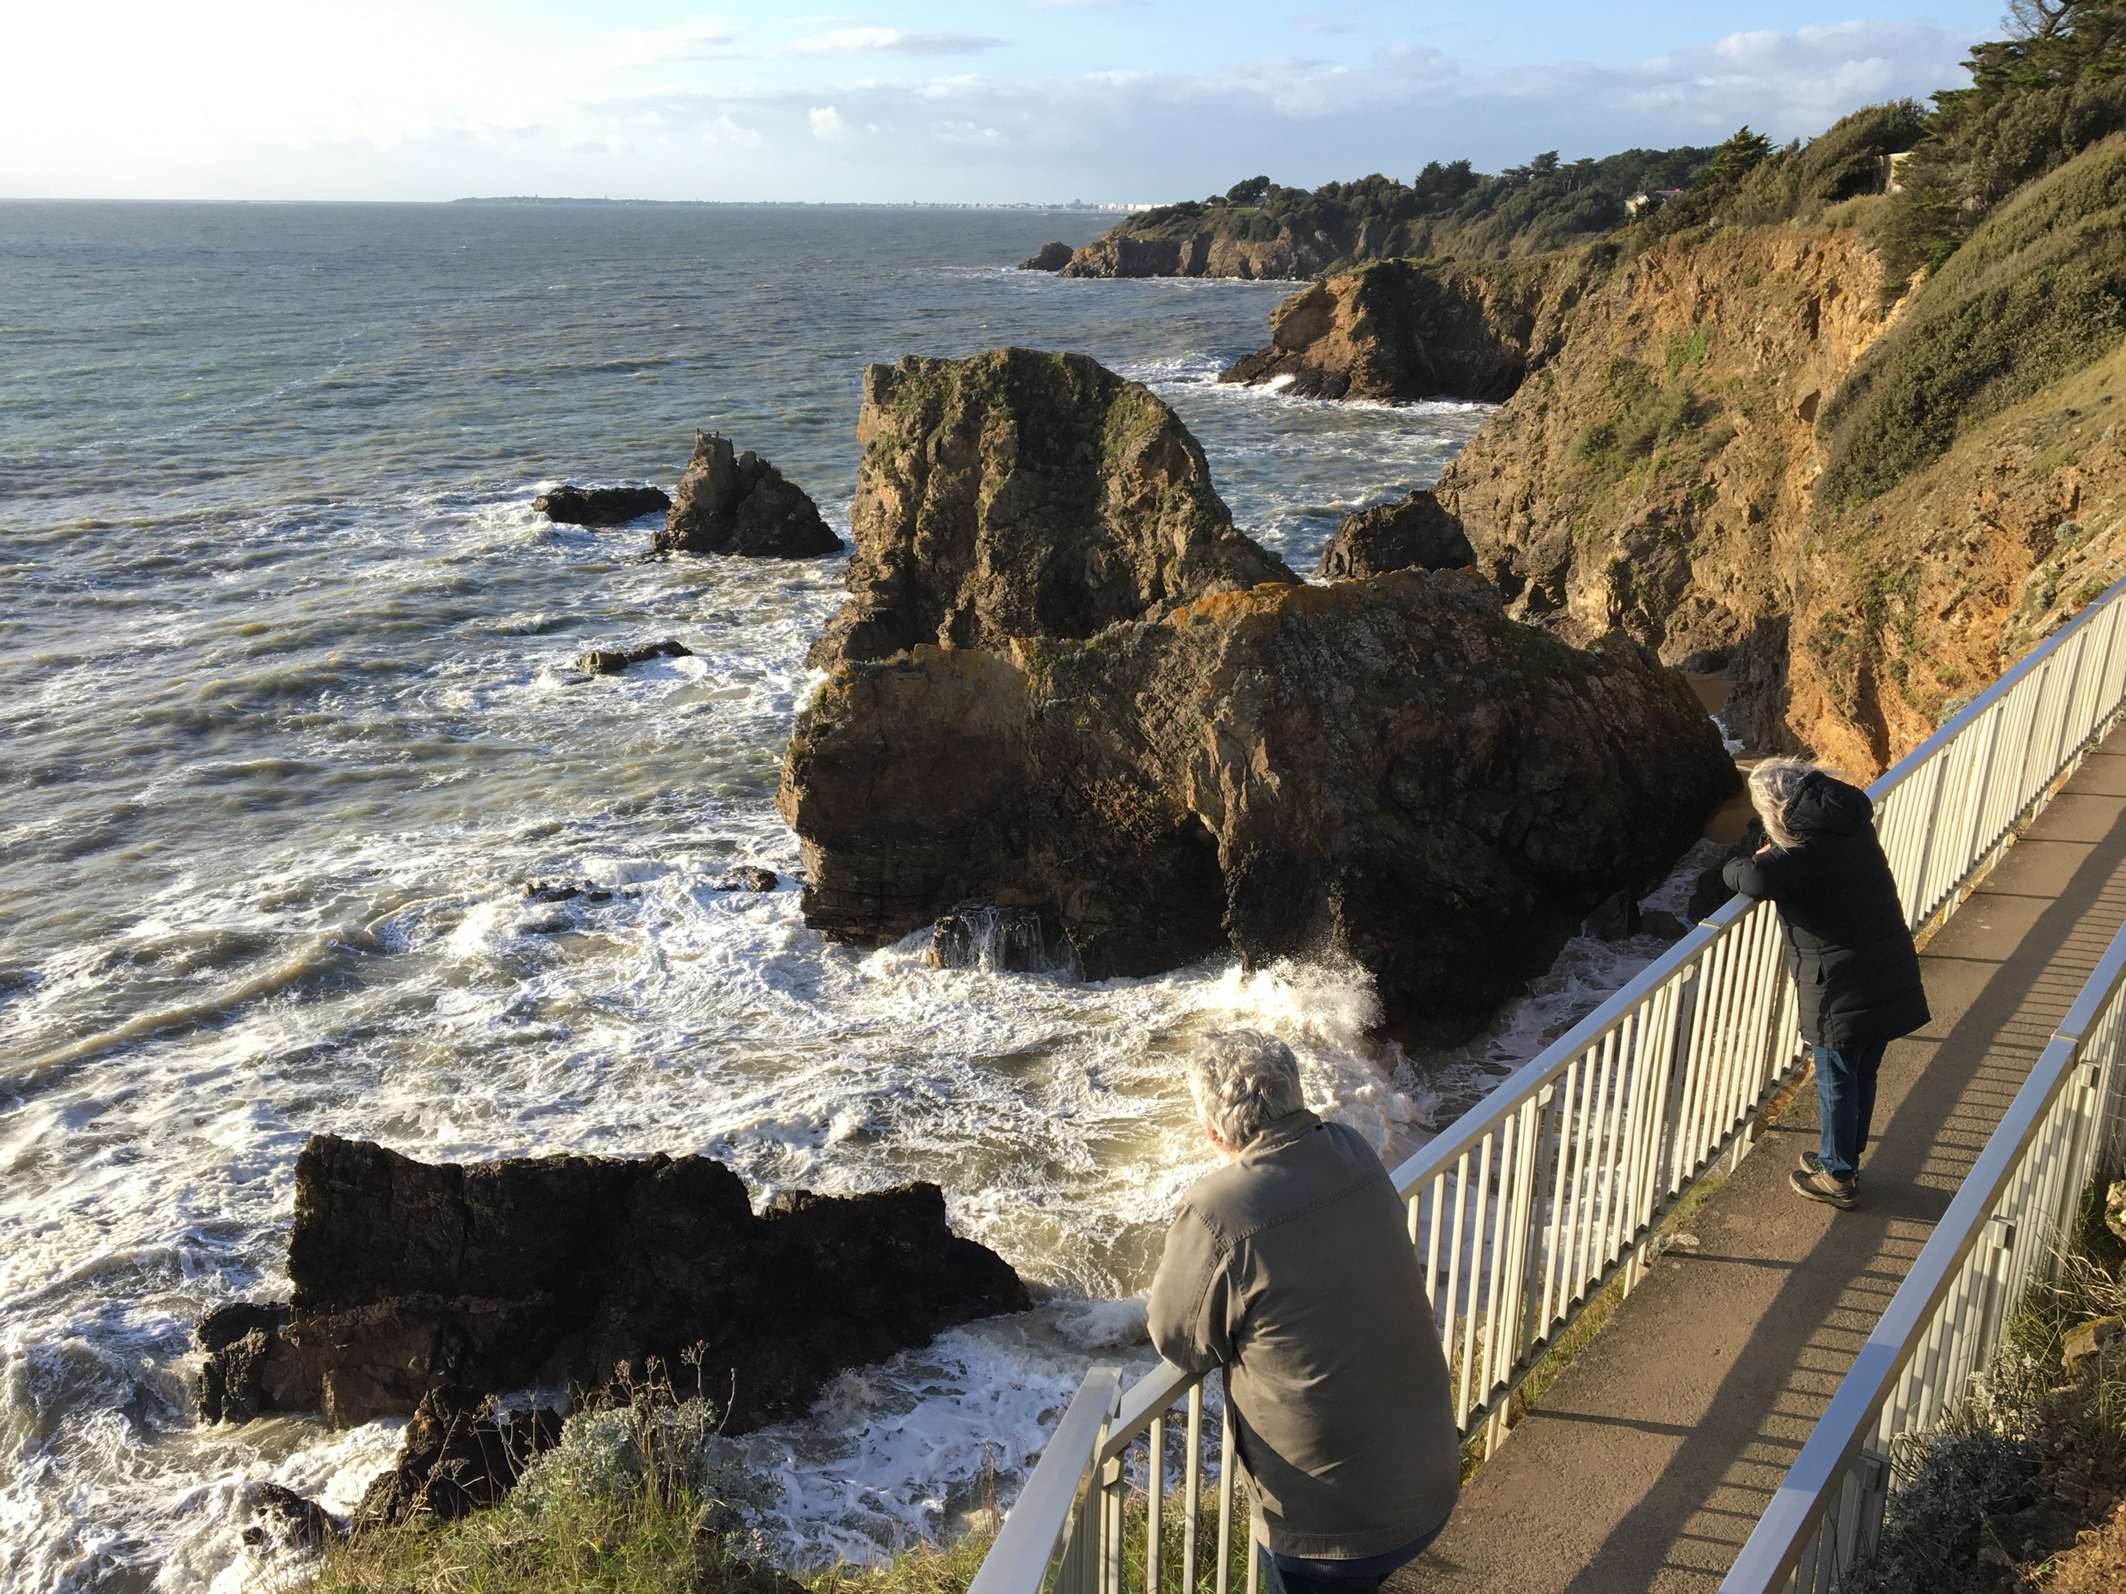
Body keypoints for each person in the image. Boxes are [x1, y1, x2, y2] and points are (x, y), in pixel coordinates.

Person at [1147, 1030, 1459, 1594]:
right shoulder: (1350, 1146)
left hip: (1328, 1531)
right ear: (1292, 1093)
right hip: (1430, 1477)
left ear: (1212, 1127)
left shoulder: (1217, 1207)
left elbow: (1179, 1340)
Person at [1722, 758, 1931, 1210]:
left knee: (1837, 1078)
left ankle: (1838, 1177)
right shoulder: (1846, 822)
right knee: (1863, 1069)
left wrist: (1735, 865)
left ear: (1773, 807)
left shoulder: (1798, 851)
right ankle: (1842, 1157)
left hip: (1841, 985)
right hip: (1886, 966)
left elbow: (1753, 878)